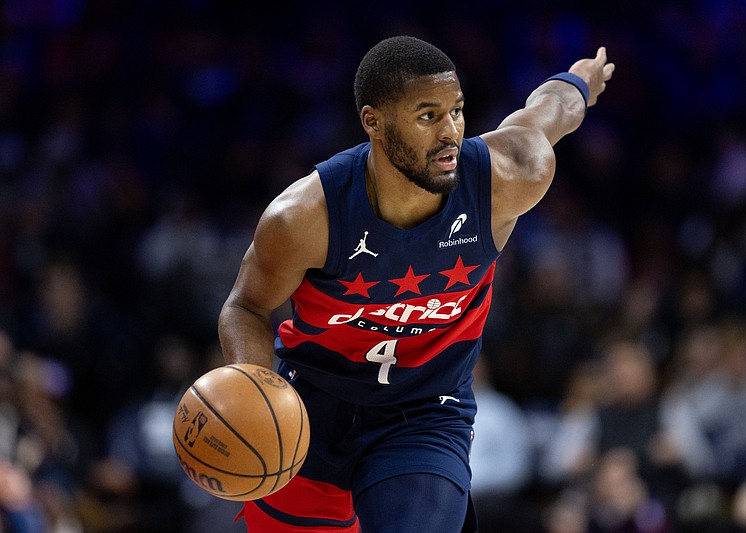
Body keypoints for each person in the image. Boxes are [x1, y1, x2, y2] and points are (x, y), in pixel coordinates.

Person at [218, 35, 614, 533]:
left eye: (458, 111)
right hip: (308, 413)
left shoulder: (508, 177)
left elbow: (549, 112)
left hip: (426, 412)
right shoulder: (304, 217)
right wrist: (250, 384)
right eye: (428, 116)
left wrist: (578, 79)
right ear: (374, 122)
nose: (451, 131)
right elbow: (246, 306)